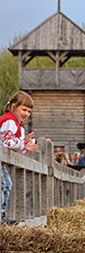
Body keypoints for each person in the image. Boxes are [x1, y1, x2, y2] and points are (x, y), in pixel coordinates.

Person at [0, 91, 39, 224]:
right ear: (13, 107)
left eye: (29, 111)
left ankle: (2, 214)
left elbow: (12, 146)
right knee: (4, 184)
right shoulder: (10, 121)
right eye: (24, 109)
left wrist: (23, 146)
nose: (26, 113)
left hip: (2, 160)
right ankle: (1, 215)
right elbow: (7, 142)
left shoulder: (17, 124)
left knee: (6, 184)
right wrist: (22, 144)